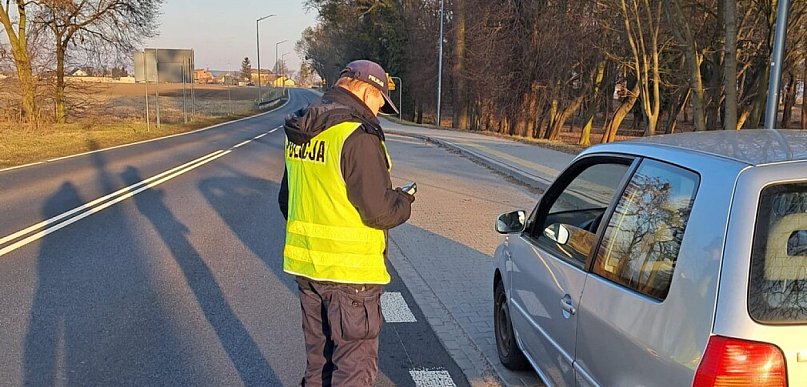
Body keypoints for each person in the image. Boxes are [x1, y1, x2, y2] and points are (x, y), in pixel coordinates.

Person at [278, 59, 415, 386]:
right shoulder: (357, 134)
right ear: (368, 91)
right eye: (381, 102)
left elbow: (287, 201)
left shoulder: (302, 130)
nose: (379, 111)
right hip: (351, 277)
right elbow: (378, 211)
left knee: (318, 367)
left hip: (308, 270)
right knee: (352, 370)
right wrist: (405, 201)